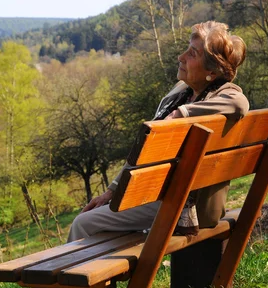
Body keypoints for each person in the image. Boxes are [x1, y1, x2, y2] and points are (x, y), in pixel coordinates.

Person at [67, 21, 250, 242]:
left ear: (211, 70)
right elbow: (144, 151)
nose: (181, 57)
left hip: (183, 207)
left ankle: (71, 276)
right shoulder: (181, 93)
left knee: (84, 223)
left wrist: (181, 114)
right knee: (96, 221)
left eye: (192, 53)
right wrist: (111, 192)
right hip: (168, 198)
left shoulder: (222, 94)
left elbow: (240, 103)